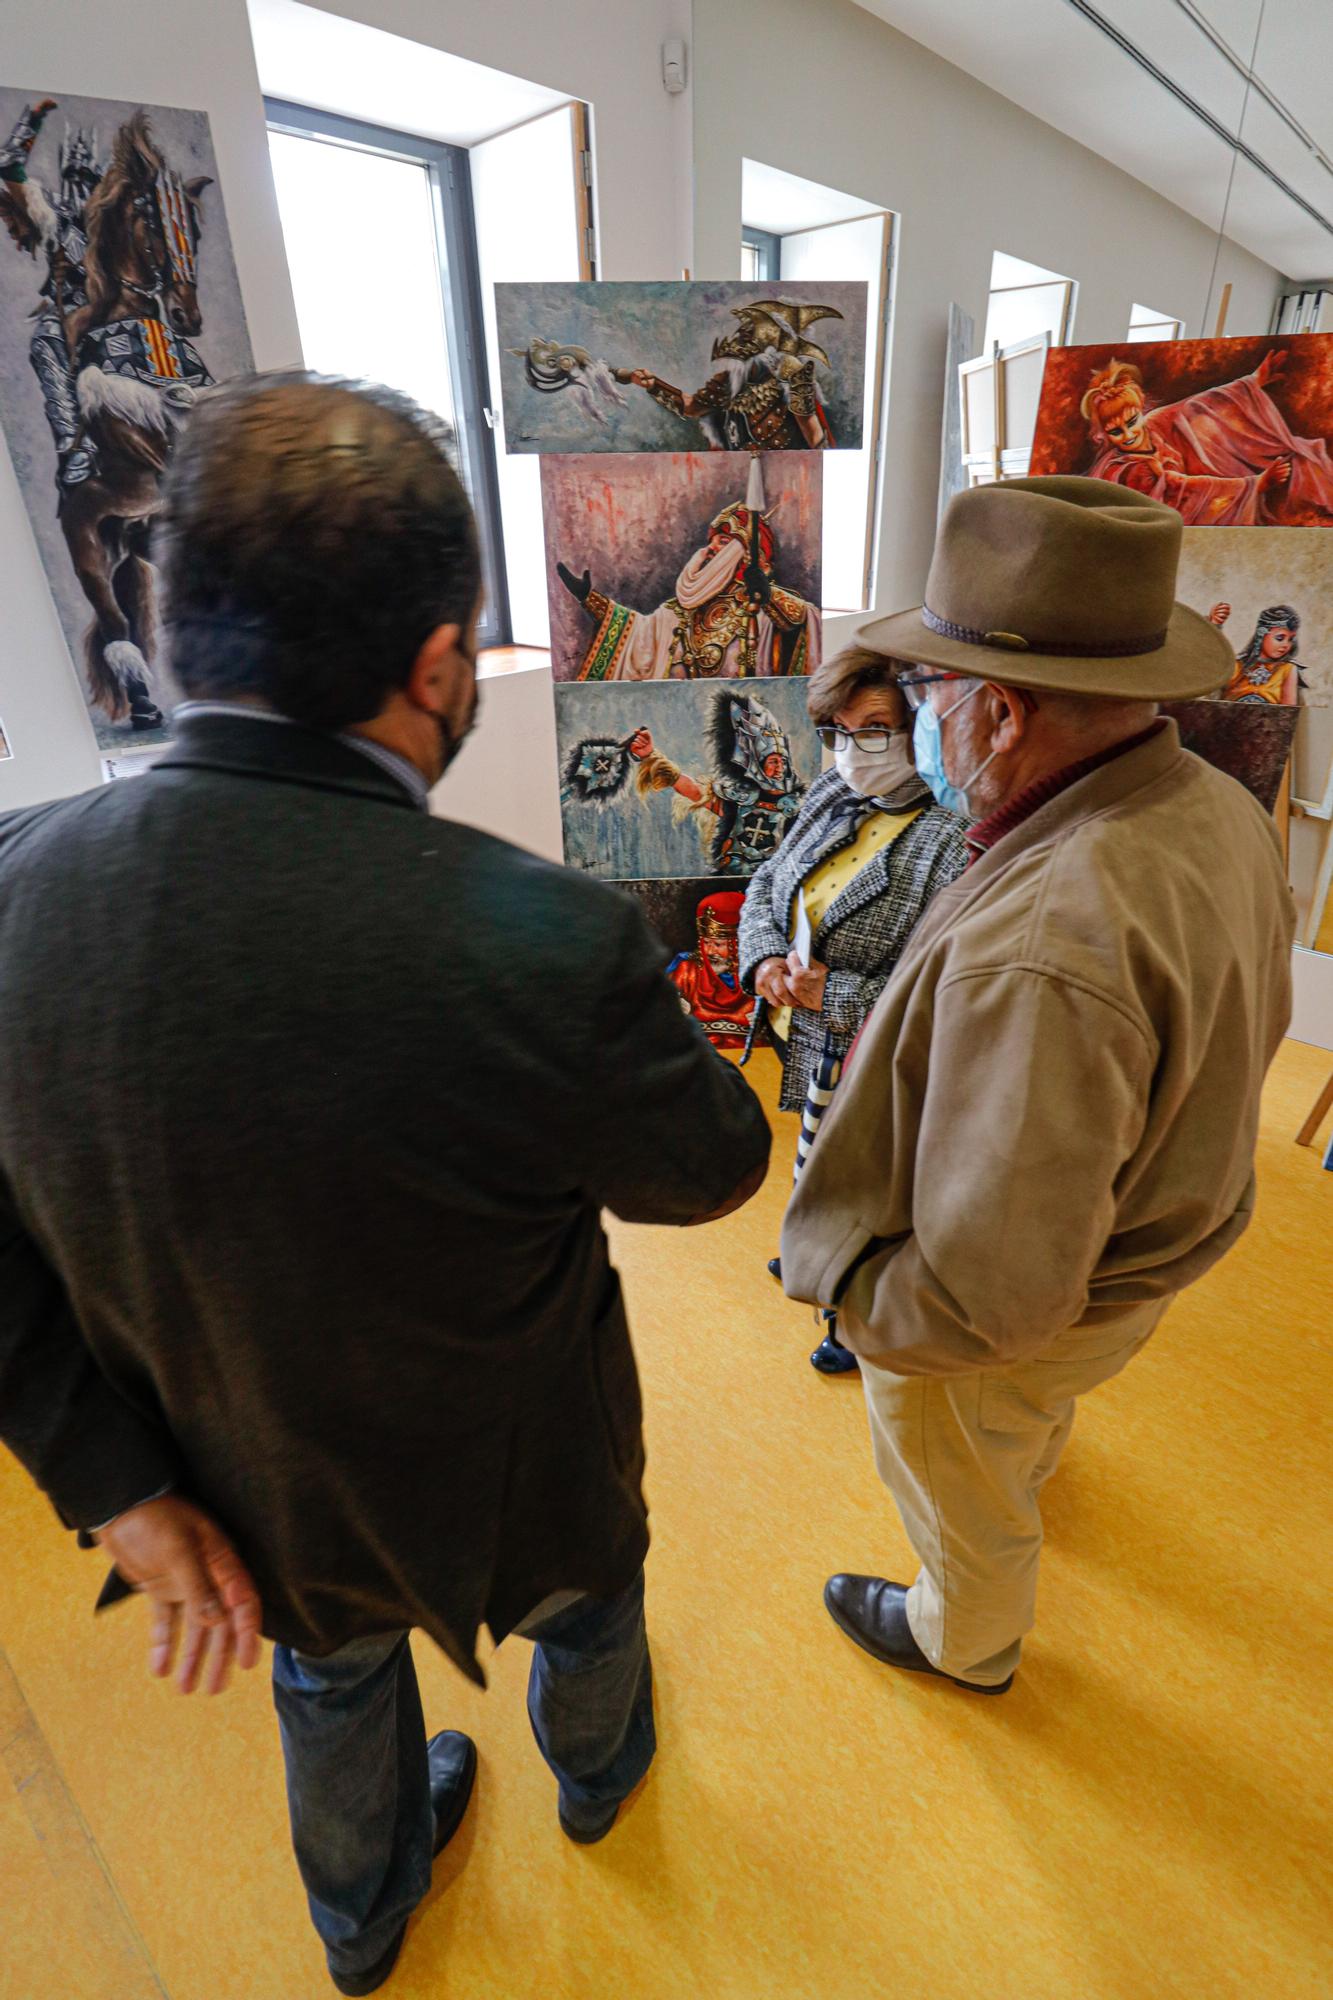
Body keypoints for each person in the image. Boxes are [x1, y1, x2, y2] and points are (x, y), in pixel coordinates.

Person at [0, 372, 771, 1995]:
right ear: (437, 666)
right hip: (526, 1467)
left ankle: (358, 1921)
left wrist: (115, 1488)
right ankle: (597, 1776)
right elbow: (708, 1172)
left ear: (171, 613)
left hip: (246, 1481)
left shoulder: (10, 886)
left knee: (328, 1685)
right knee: (590, 1614)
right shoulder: (551, 941)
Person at [780, 476, 1293, 1693]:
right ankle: (1018, 1460)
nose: (912, 723)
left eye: (927, 694)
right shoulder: (1212, 804)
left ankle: (964, 1634)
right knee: (1022, 1419)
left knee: (958, 1466)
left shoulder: (1052, 940)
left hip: (1023, 1306)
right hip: (1140, 1240)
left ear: (999, 714)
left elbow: (990, 1298)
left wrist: (866, 1316)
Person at [737, 645, 967, 1372]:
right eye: (835, 732)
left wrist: (828, 993)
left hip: (871, 1049)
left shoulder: (955, 836)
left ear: (919, 725)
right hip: (808, 1033)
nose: (851, 751)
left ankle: (846, 1318)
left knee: (866, 1187)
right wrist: (765, 959)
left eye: (873, 729)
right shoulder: (833, 793)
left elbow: (939, 993)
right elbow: (768, 879)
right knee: (816, 1164)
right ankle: (811, 1251)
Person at [556, 495, 819, 680]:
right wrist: (589, 599)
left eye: (724, 541)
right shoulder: (678, 612)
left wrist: (767, 595)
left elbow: (800, 620)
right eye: (713, 542)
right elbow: (637, 634)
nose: (713, 548)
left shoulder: (762, 611)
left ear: (746, 553)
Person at [1078, 350, 1333, 526]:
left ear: (1141, 409)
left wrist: (1251, 382)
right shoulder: (1127, 469)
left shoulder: (1155, 423)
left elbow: (1199, 403)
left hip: (1182, 504)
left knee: (1201, 421)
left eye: (1132, 422)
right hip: (1164, 523)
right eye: (1116, 431)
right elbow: (1185, 487)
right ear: (1105, 435)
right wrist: (1253, 484)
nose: (1128, 434)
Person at [666, 888, 756, 1045]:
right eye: (706, 943)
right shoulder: (686, 971)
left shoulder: (759, 972)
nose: (710, 951)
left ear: (739, 943)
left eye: (718, 944)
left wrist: (769, 1017)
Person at [1209, 600, 1305, 705]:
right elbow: (1210, 677)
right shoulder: (1237, 665)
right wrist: (1215, 626)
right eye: (1280, 638)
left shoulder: (1287, 669)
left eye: (1290, 639)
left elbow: (1289, 711)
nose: (1286, 645)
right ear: (1261, 633)